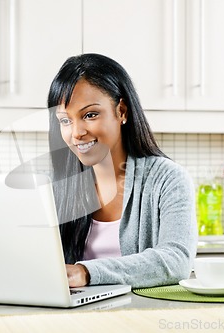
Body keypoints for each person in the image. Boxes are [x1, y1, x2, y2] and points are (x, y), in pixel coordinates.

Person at [47, 53, 197, 288]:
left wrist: (86, 272)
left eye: (90, 115)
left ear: (122, 111)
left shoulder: (167, 179)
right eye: (65, 120)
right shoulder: (57, 186)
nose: (76, 133)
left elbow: (176, 261)